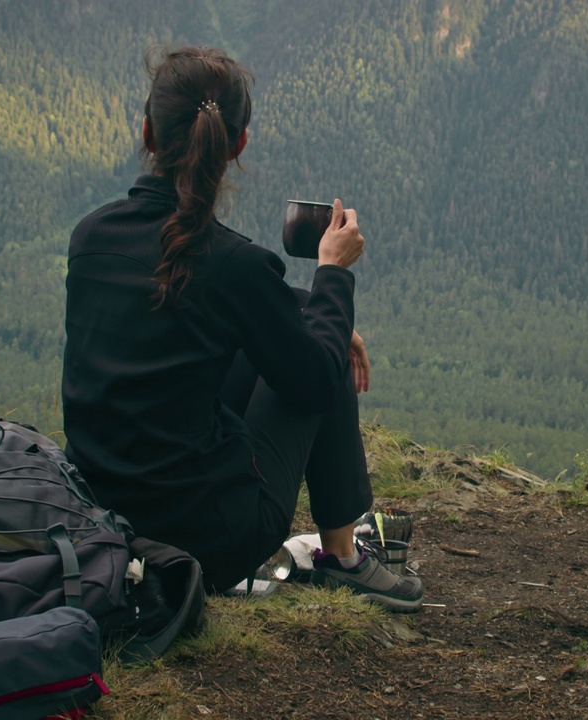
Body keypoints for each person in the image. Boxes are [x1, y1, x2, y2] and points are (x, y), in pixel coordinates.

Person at [61, 46, 423, 612]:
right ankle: (342, 557)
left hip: (102, 520)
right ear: (237, 144)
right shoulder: (234, 265)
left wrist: (311, 315)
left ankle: (341, 551)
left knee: (303, 319)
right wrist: (333, 278)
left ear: (148, 133)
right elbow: (319, 383)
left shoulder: (90, 237)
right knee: (318, 361)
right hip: (208, 540)